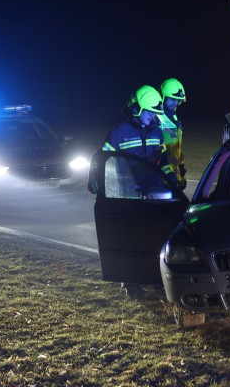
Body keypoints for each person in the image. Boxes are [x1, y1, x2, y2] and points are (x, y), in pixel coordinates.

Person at [87, 85, 177, 298]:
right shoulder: (119, 133)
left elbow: (162, 160)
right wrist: (95, 179)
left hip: (152, 193)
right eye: (149, 112)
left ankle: (154, 276)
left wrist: (171, 180)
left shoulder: (157, 132)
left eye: (155, 113)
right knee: (129, 237)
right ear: (136, 109)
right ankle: (130, 281)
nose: (152, 117)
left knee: (156, 235)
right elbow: (101, 159)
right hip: (126, 194)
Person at [157, 78, 188, 189]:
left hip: (173, 177)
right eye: (172, 99)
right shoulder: (156, 119)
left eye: (177, 100)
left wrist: (181, 171)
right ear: (163, 97)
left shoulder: (174, 119)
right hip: (161, 178)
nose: (175, 103)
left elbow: (176, 150)